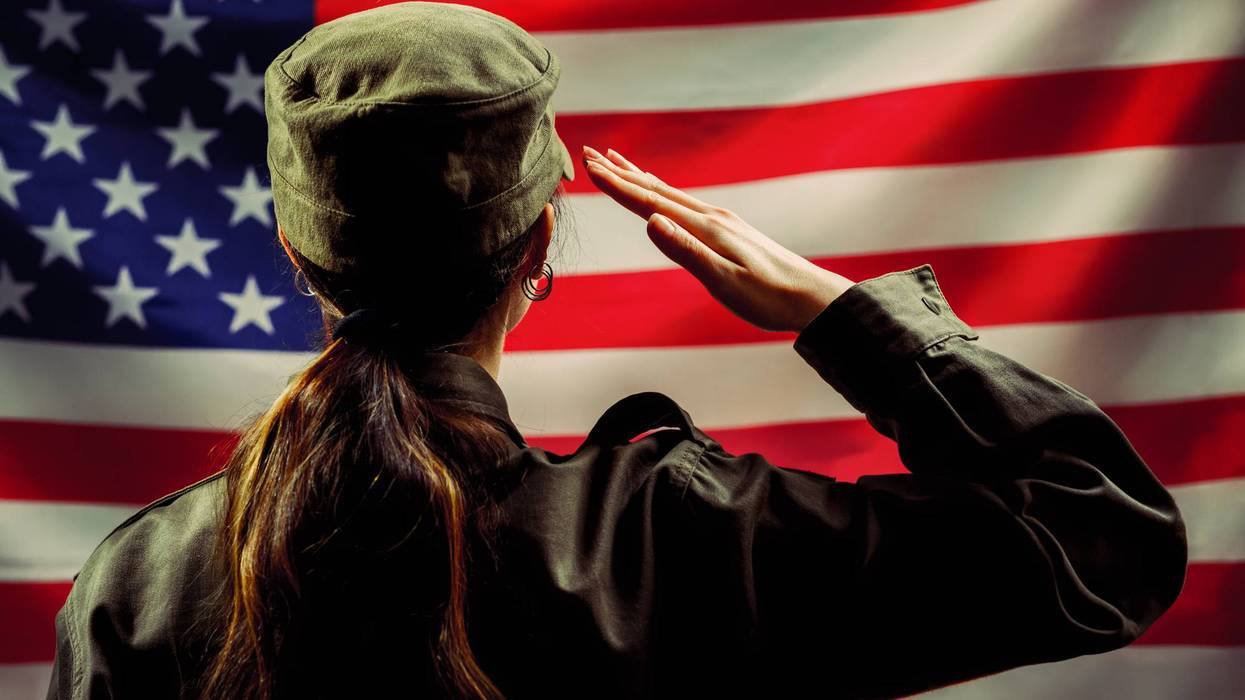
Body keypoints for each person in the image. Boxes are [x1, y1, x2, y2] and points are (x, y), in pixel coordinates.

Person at [45, 3, 1187, 699]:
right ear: (541, 239)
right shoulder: (675, 534)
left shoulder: (133, 589)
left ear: (298, 252)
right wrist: (844, 318)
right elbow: (1106, 541)